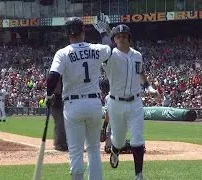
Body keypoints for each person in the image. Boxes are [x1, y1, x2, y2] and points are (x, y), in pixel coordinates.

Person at [94, 16, 159, 180]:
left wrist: (148, 87)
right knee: (119, 140)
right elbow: (105, 46)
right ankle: (115, 151)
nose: (121, 38)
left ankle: (139, 175)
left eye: (124, 36)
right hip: (116, 103)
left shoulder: (137, 55)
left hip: (136, 102)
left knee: (138, 139)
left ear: (129, 38)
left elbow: (141, 72)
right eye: (118, 36)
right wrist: (104, 32)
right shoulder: (110, 55)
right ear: (114, 39)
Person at [46, 17, 111, 180]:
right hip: (95, 104)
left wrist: (48, 95)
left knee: (75, 151)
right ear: (83, 31)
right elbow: (110, 47)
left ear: (67, 34)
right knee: (94, 150)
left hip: (73, 105)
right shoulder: (96, 49)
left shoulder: (63, 53)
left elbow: (53, 76)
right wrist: (103, 32)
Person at [51, 77, 68, 152]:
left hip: (61, 103)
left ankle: (60, 143)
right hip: (57, 103)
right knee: (60, 123)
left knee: (61, 124)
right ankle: (60, 144)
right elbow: (57, 91)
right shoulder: (57, 76)